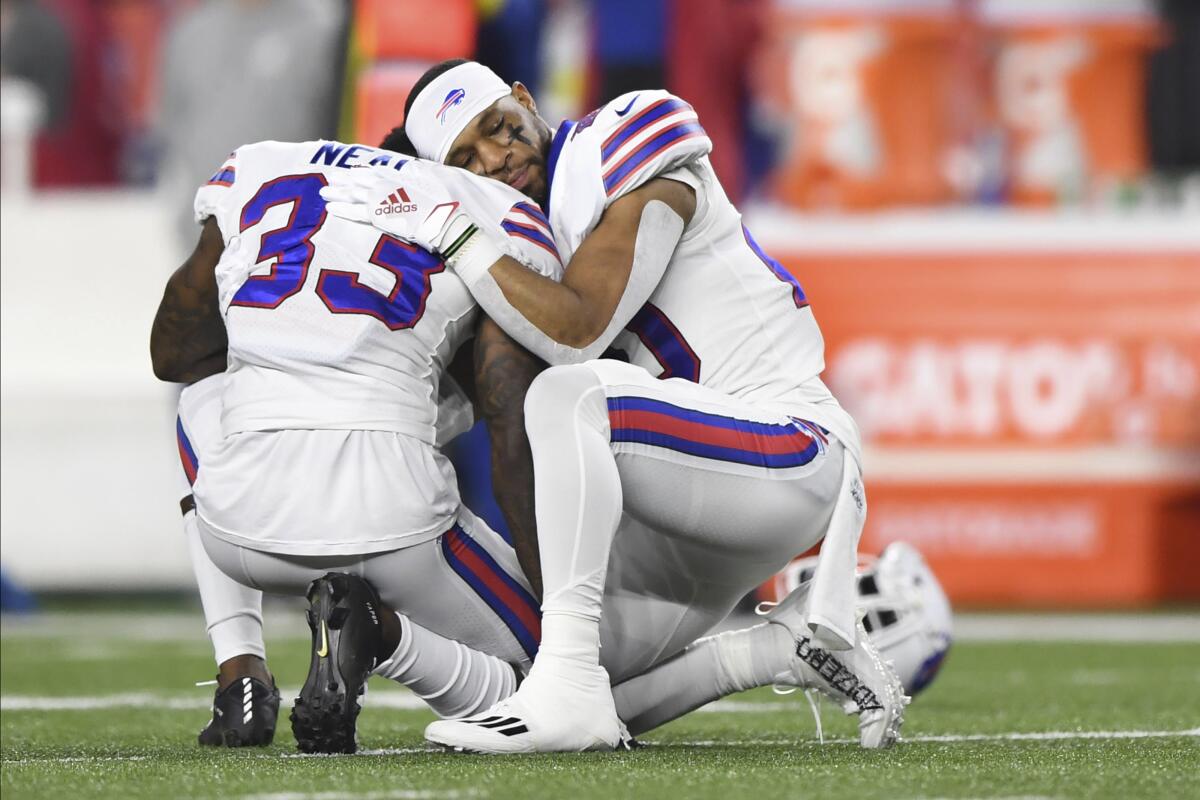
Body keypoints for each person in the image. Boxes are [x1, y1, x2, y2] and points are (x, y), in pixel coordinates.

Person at [322, 58, 908, 753]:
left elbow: (578, 332)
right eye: (466, 159)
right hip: (680, 508)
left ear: (523, 97)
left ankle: (568, 688)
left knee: (568, 398)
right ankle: (778, 648)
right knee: (534, 672)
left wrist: (453, 232)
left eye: (496, 127)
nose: (495, 156)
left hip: (789, 450)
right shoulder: (516, 241)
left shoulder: (614, 142)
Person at [151, 136, 563, 753]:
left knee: (200, 402)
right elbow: (508, 421)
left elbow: (174, 353)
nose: (491, 161)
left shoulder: (263, 166)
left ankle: (238, 669)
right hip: (395, 527)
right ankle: (381, 636)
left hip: (239, 531)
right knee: (563, 679)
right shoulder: (496, 211)